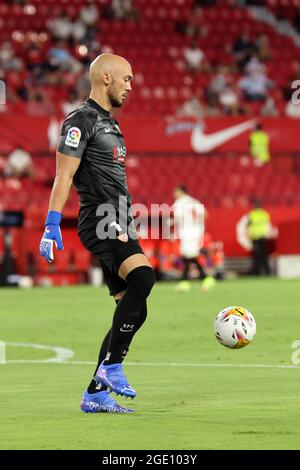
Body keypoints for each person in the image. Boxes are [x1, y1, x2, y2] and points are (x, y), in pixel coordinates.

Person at [39, 54, 155, 413]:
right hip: (102, 218)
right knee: (143, 277)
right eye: (127, 79)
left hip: (119, 217)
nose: (131, 86)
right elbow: (64, 175)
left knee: (135, 308)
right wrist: (51, 222)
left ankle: (94, 392)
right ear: (106, 77)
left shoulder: (111, 123)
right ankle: (113, 366)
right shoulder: (81, 120)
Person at [172, 185, 211, 291]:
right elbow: (205, 214)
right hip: (196, 231)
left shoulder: (179, 203)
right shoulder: (194, 201)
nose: (174, 194)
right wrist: (199, 226)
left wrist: (170, 223)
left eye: (176, 192)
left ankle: (201, 279)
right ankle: (193, 280)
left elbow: (177, 218)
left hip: (187, 232)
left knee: (188, 255)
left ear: (181, 192)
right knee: (188, 256)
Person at [236, 198, 274, 276]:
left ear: (254, 206)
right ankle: (267, 272)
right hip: (263, 237)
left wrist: (247, 237)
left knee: (256, 256)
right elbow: (268, 226)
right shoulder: (265, 214)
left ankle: (256, 272)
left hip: (255, 238)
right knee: (264, 256)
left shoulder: (251, 215)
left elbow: (245, 225)